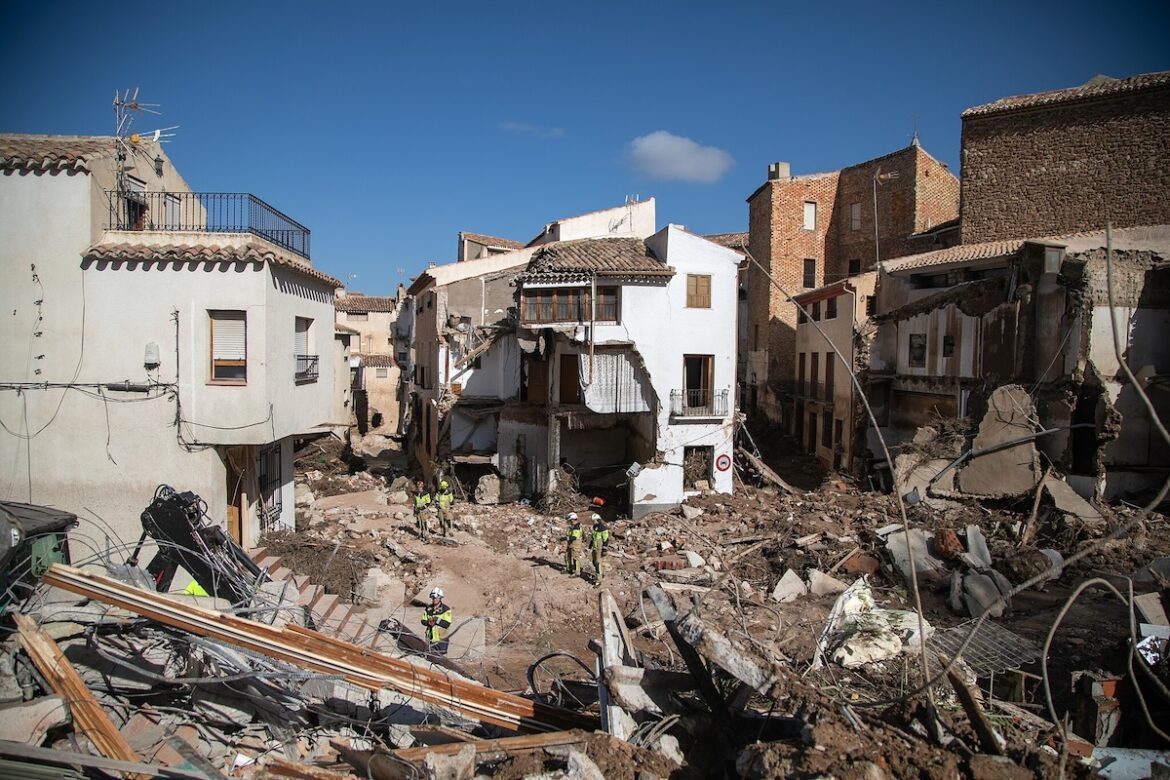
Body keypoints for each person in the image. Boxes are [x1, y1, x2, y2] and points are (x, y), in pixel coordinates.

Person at [421, 586, 452, 655]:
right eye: (433, 598)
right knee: (430, 656)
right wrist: (428, 623)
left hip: (441, 639)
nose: (434, 599)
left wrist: (436, 620)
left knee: (440, 658)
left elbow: (447, 624)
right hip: (430, 638)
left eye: (436, 598)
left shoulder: (446, 609)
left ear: (440, 598)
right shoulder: (428, 608)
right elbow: (423, 620)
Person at [589, 513, 609, 587]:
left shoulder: (603, 528)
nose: (593, 522)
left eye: (594, 520)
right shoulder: (595, 527)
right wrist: (591, 544)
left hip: (599, 548)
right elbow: (593, 537)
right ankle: (600, 574)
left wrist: (604, 549)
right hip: (595, 547)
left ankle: (598, 580)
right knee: (594, 562)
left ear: (598, 520)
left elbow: (606, 539)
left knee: (597, 563)